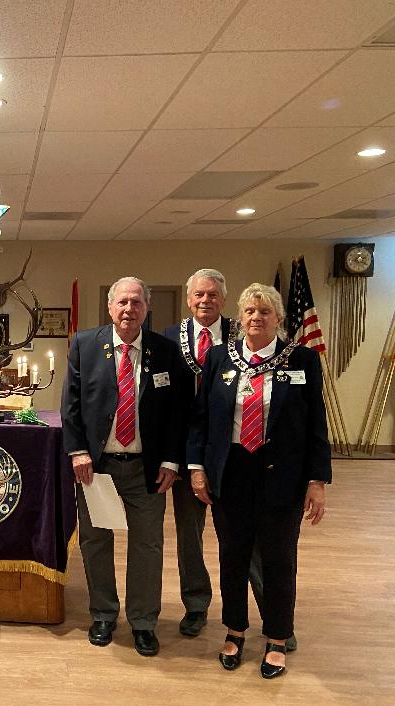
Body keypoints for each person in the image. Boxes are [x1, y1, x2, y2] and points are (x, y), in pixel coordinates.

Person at [187, 283, 329, 679]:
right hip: (231, 473)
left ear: (279, 319)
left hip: (281, 475)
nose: (255, 318)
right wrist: (197, 468)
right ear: (241, 316)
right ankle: (234, 630)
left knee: (279, 559)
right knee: (232, 557)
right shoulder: (219, 358)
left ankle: (278, 638)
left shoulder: (301, 360)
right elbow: (202, 420)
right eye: (249, 311)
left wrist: (317, 480)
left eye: (264, 312)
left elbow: (317, 423)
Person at [61, 277, 187, 657]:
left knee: (147, 545)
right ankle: (103, 614)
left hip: (147, 469)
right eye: (122, 302)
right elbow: (71, 405)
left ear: (146, 309)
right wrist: (78, 451)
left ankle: (144, 623)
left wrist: (170, 459)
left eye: (136, 303)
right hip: (97, 467)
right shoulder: (85, 345)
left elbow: (176, 414)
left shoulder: (165, 351)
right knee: (96, 542)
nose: (129, 309)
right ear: (110, 307)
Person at [161, 269, 233, 637]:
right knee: (189, 535)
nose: (206, 301)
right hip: (185, 452)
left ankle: (270, 609)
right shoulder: (170, 338)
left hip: (232, 453)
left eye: (213, 295)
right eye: (199, 295)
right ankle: (196, 604)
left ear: (224, 299)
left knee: (242, 536)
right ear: (189, 300)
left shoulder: (242, 334)